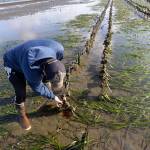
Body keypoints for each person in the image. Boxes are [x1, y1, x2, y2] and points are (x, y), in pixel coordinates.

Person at [3, 39, 66, 130]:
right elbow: (36, 87)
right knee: (20, 92)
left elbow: (53, 67)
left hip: (32, 58)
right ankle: (22, 115)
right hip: (12, 63)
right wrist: (53, 97)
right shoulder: (32, 71)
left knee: (45, 78)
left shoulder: (59, 49)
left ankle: (47, 86)